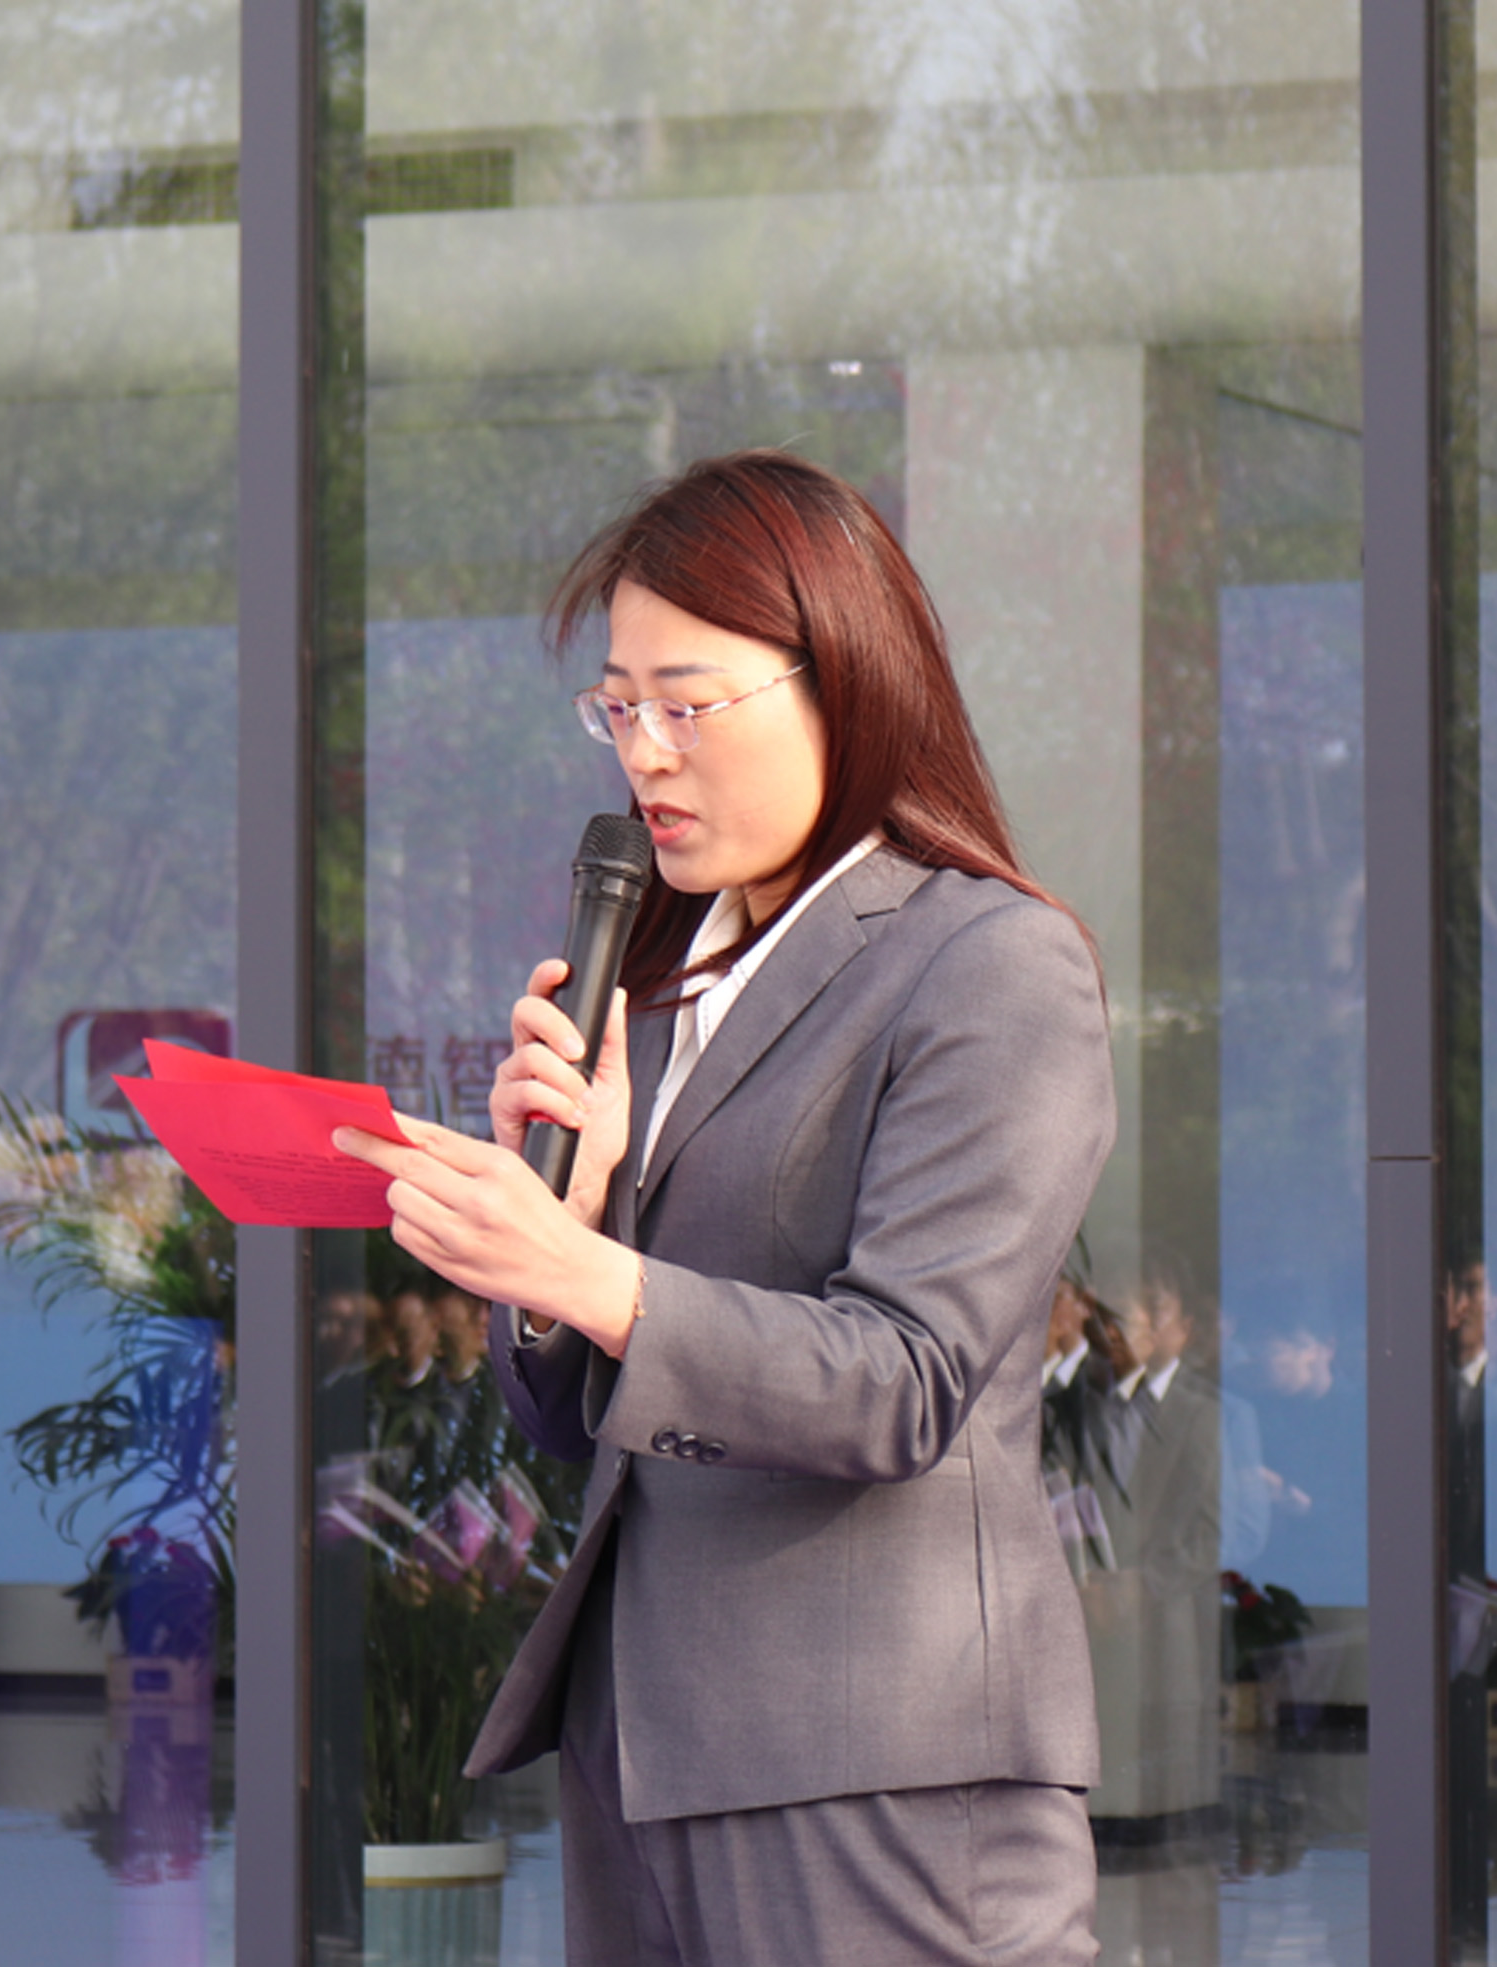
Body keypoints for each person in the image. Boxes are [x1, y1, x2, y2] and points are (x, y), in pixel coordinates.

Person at [336, 452, 1114, 1965]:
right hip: (645, 1749)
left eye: (686, 707)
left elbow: (906, 1380)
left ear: (846, 684)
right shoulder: (660, 986)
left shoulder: (988, 963)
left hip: (881, 1764)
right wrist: (558, 1232)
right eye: (617, 708)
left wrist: (592, 1274)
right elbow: (579, 1421)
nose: (645, 755)